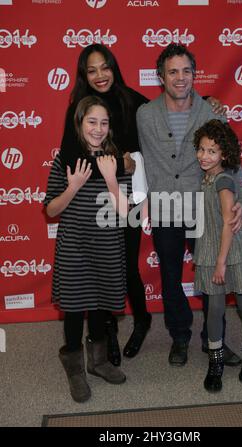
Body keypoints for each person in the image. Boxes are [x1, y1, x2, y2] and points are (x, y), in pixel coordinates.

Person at [60, 43, 226, 366]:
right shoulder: (93, 109)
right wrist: (119, 167)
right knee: (133, 272)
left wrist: (208, 101)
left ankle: (203, 336)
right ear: (161, 77)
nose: (99, 75)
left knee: (192, 272)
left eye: (104, 67)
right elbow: (71, 159)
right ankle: (148, 335)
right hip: (107, 200)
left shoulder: (134, 100)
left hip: (170, 200)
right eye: (91, 70)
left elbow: (186, 113)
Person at [137, 43, 242, 367]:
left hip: (206, 210)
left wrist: (241, 199)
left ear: (194, 74)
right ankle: (180, 337)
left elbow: (231, 161)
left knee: (213, 275)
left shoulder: (212, 112)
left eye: (186, 71)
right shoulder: (144, 115)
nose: (180, 77)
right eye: (173, 71)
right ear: (161, 76)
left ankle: (213, 339)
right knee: (171, 276)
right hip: (165, 208)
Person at [44, 96, 130, 402]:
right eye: (92, 121)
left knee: (99, 304)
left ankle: (98, 361)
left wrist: (111, 180)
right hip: (74, 247)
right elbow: (52, 210)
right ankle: (75, 368)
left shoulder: (115, 160)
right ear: (80, 124)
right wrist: (74, 186)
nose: (98, 129)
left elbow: (125, 212)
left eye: (104, 123)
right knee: (73, 306)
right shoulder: (66, 160)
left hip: (106, 246)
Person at [193, 119, 242, 391]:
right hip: (211, 249)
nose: (204, 155)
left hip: (230, 252)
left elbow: (226, 224)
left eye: (212, 151)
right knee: (215, 311)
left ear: (224, 154)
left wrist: (220, 263)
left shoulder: (223, 179)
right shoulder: (206, 176)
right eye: (201, 149)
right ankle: (216, 363)